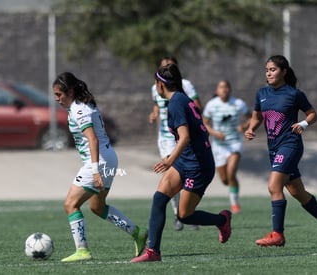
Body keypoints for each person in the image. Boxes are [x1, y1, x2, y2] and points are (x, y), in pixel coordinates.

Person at [132, 64, 232, 263]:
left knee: (185, 215)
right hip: (187, 160)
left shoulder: (176, 103)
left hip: (198, 166)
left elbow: (184, 137)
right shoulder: (182, 99)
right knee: (159, 199)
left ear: (160, 84)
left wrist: (170, 160)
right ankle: (153, 252)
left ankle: (222, 219)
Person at [53, 72, 148, 262]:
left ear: (70, 91)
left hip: (99, 161)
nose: (57, 99)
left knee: (70, 205)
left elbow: (92, 139)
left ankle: (82, 251)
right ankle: (137, 233)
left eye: (59, 94)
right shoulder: (81, 105)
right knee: (97, 206)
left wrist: (95, 170)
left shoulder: (79, 110)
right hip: (109, 158)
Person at [245, 55, 317, 246]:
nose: (269, 73)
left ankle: (277, 235)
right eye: (267, 70)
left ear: (284, 71)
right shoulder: (261, 93)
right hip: (273, 148)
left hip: (290, 145)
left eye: (273, 69)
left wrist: (303, 123)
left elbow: (313, 114)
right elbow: (257, 117)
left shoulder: (294, 94)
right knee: (298, 193)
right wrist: (251, 128)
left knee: (273, 187)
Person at [149, 56, 202, 231]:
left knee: (183, 174)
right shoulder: (155, 87)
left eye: (169, 66)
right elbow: (157, 105)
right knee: (170, 179)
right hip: (166, 137)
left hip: (181, 135)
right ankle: (178, 215)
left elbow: (196, 106)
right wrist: (155, 113)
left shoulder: (183, 89)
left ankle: (187, 213)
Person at [203, 80, 251, 214]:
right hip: (218, 146)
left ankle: (235, 204)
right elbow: (204, 123)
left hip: (234, 143)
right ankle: (232, 187)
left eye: (226, 87)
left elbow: (251, 118)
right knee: (225, 179)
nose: (224, 90)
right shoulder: (211, 105)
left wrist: (243, 126)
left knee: (231, 173)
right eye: (221, 87)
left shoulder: (238, 103)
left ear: (230, 89)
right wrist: (214, 133)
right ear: (217, 90)